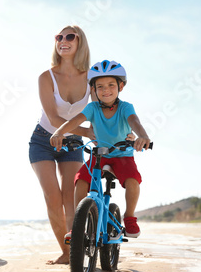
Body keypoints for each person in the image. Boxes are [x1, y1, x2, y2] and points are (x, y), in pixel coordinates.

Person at [50, 60, 151, 238]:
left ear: (120, 86)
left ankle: (129, 217)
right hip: (99, 156)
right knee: (80, 180)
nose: (106, 90)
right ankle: (78, 225)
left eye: (111, 85)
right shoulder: (93, 108)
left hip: (123, 155)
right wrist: (59, 132)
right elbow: (75, 121)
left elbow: (135, 122)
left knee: (132, 180)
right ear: (94, 89)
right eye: (100, 86)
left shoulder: (125, 107)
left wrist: (143, 136)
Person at [29, 25, 95, 265]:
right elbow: (55, 119)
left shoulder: (91, 78)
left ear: (80, 42)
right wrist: (87, 131)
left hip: (73, 143)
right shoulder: (46, 77)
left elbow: (100, 112)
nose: (63, 41)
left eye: (69, 37)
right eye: (59, 37)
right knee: (53, 198)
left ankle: (76, 247)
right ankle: (66, 253)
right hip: (43, 141)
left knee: (72, 197)